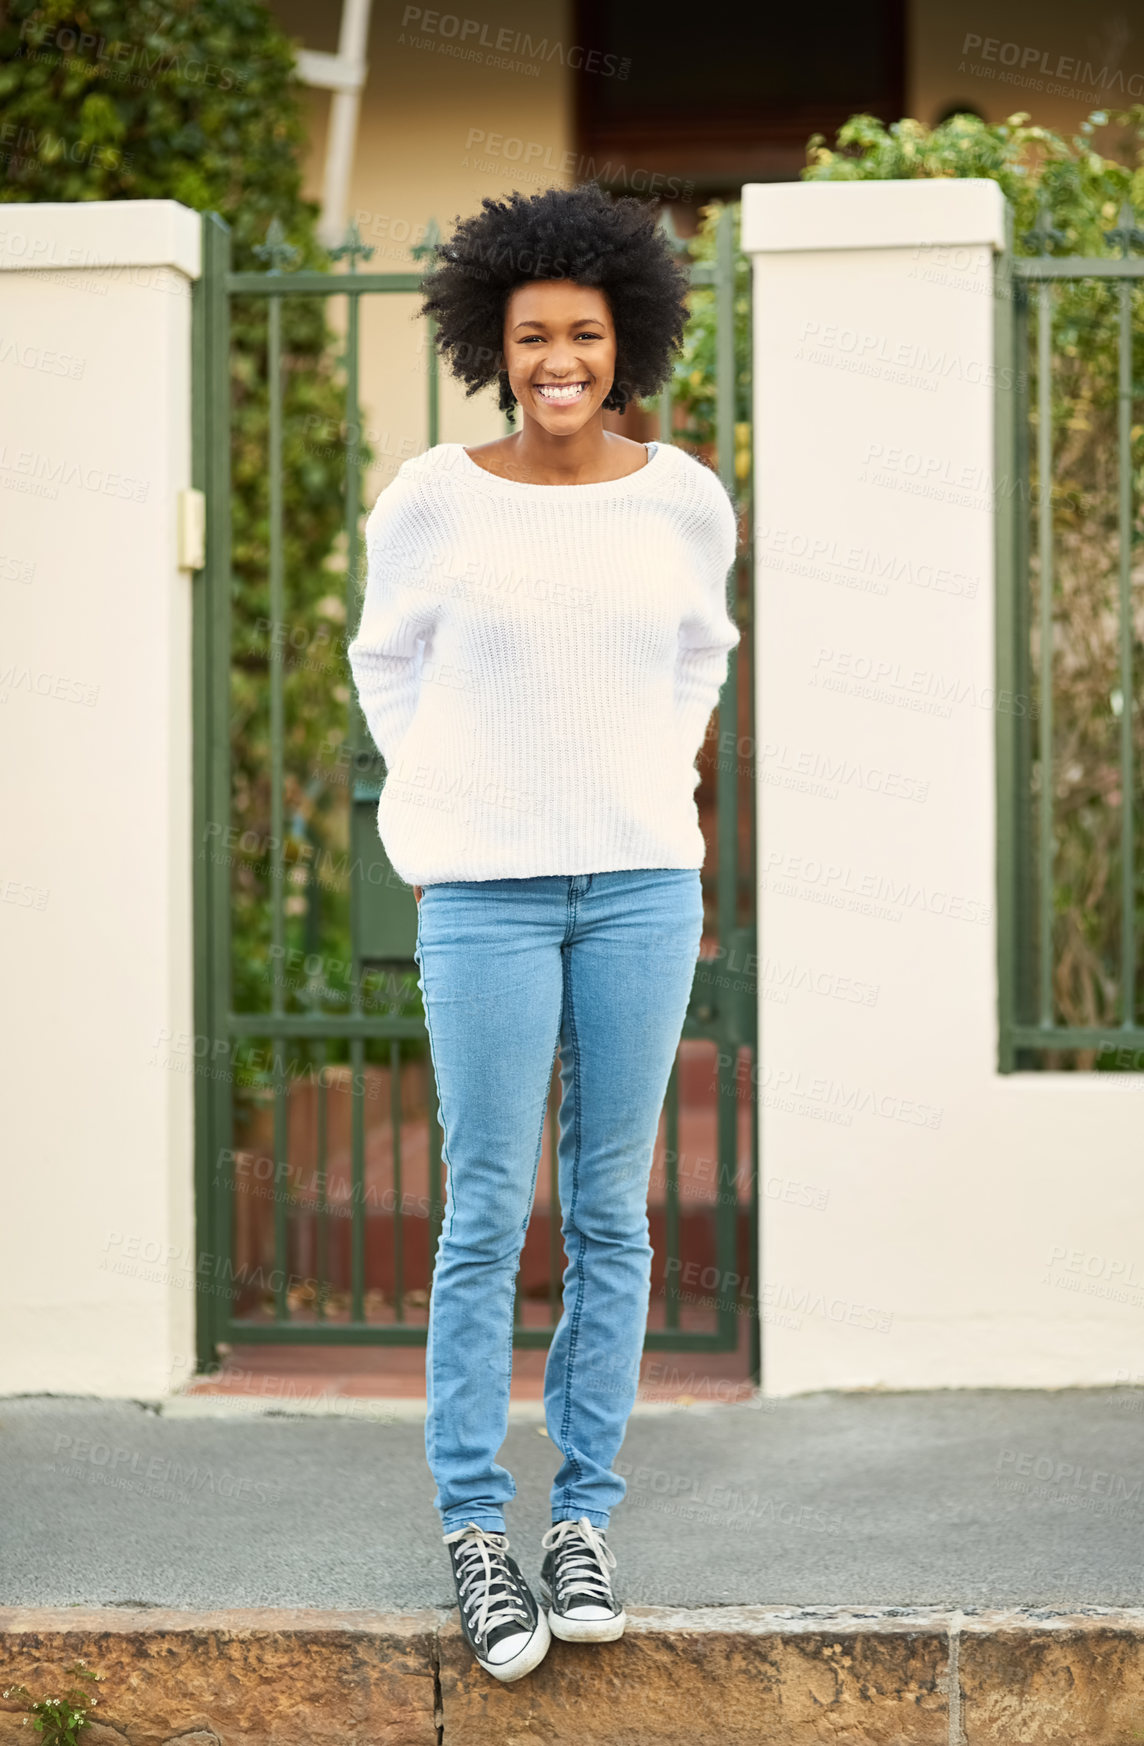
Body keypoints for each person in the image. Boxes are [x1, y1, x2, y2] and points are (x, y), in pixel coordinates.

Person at [347, 183, 740, 1683]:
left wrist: (651, 767)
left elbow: (701, 652)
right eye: (532, 336)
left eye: (584, 332)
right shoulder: (434, 496)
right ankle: (472, 1529)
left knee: (611, 1211)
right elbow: (385, 662)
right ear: (493, 347)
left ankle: (581, 1518)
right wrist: (436, 805)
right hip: (488, 894)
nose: (559, 358)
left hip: (642, 882)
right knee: (484, 1205)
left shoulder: (685, 495)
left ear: (622, 338)